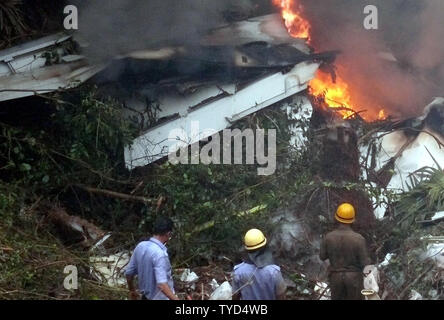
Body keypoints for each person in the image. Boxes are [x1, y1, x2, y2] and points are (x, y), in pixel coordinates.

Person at [320, 203, 371, 300]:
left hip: (336, 278)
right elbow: (364, 262)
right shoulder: (358, 239)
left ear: (336, 218)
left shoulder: (329, 237)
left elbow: (322, 256)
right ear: (353, 220)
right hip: (354, 279)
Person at [125, 216, 179, 300]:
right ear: (168, 234)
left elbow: (128, 273)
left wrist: (132, 290)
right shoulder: (160, 254)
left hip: (145, 297)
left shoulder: (140, 246)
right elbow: (162, 284)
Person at [232, 228, 287, 300]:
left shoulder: (238, 271)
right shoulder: (274, 272)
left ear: (246, 249)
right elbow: (281, 296)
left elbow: (235, 297)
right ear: (264, 246)